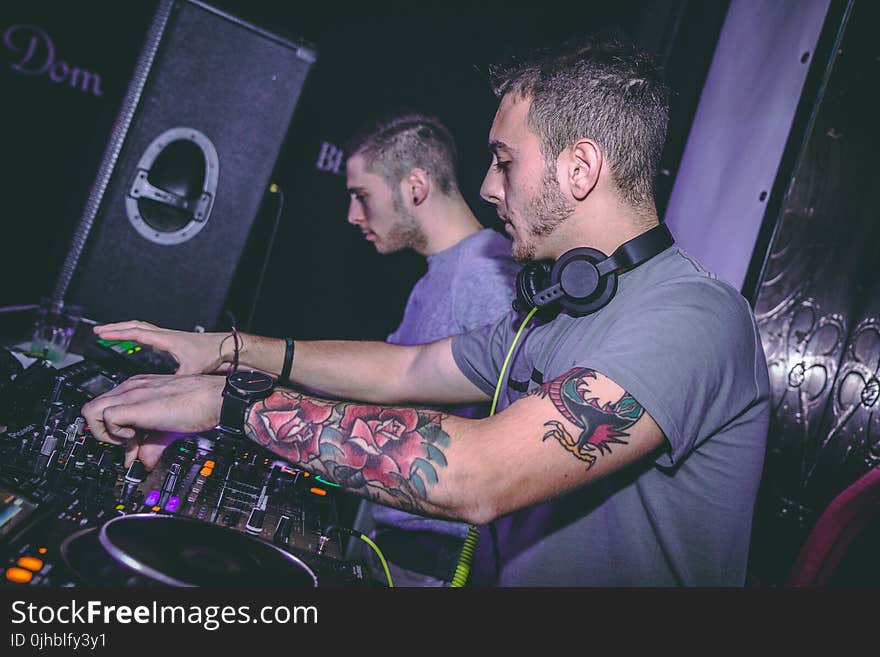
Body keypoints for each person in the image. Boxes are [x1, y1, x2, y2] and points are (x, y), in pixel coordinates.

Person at [82, 36, 770, 586]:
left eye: (504, 161)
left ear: (579, 168)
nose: (486, 186)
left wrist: (230, 404)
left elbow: (475, 474)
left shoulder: (693, 319)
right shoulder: (556, 309)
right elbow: (408, 366)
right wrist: (233, 354)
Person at [341, 111, 520, 585]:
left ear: (415, 186)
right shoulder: (440, 274)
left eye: (362, 196)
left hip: (438, 558)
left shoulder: (484, 276)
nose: (353, 216)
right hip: (399, 543)